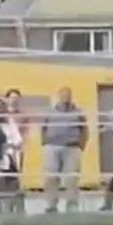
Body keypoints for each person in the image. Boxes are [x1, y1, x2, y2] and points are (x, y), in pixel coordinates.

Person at [40, 86, 86, 214]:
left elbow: (84, 129)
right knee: (50, 177)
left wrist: (81, 145)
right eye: (63, 95)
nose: (66, 98)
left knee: (71, 178)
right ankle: (51, 204)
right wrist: (44, 142)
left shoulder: (78, 112)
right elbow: (43, 127)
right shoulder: (49, 111)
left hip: (72, 147)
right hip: (52, 147)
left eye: (68, 95)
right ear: (59, 96)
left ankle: (72, 205)